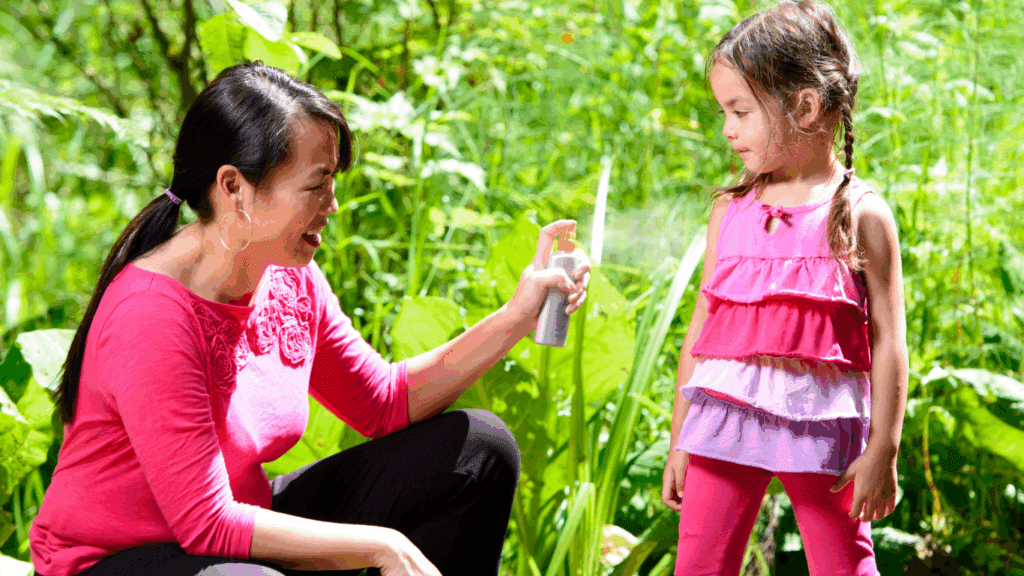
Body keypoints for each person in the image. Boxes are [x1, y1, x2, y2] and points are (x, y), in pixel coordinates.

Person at [30, 62, 591, 576]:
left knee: (479, 450)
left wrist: (519, 316)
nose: (333, 205)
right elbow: (207, 524)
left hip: (237, 525)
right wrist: (379, 545)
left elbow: (384, 404)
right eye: (316, 185)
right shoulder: (150, 315)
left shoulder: (287, 274)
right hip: (115, 560)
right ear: (234, 188)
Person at [660, 2, 908, 575]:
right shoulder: (731, 210)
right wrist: (681, 436)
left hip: (820, 421)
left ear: (804, 106)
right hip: (723, 420)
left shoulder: (862, 214)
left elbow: (889, 340)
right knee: (699, 564)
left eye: (740, 111)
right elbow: (702, 328)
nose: (727, 129)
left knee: (844, 564)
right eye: (725, 111)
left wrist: (884, 449)